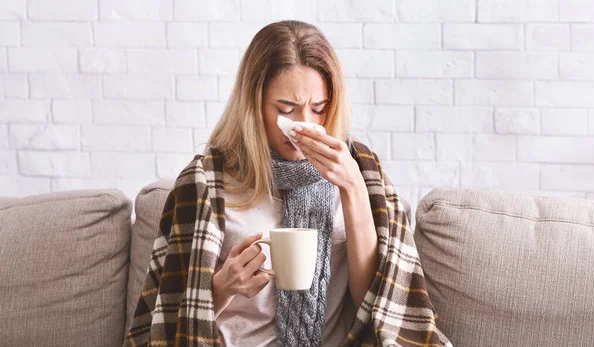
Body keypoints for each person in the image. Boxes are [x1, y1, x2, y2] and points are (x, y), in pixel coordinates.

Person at [124, 20, 451, 347]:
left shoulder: (359, 171)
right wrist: (222, 287)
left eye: (318, 109)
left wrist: (352, 188)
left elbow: (377, 305)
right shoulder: (206, 182)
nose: (304, 125)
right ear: (254, 106)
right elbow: (168, 323)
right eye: (286, 110)